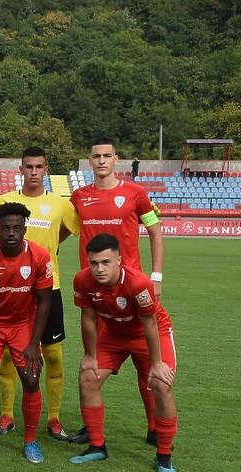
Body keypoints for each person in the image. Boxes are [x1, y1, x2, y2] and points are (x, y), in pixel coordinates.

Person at [69, 137, 164, 445]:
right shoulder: (79, 197)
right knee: (91, 361)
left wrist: (157, 275)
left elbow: (155, 230)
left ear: (116, 159)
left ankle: (154, 427)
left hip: (130, 289)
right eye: (96, 156)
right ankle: (91, 428)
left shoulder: (136, 194)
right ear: (89, 159)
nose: (101, 161)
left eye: (106, 155)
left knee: (145, 362)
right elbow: (65, 229)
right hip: (94, 292)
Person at [70, 233, 178, 472]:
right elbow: (87, 318)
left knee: (161, 384)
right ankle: (97, 446)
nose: (99, 269)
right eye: (94, 262)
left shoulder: (138, 283)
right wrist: (90, 355)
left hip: (149, 332)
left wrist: (157, 363)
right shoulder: (82, 280)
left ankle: (164, 455)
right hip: (113, 333)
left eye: (106, 262)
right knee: (88, 376)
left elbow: (149, 323)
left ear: (119, 259)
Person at [0, 147, 79, 440]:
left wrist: (50, 248)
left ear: (46, 169)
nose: (33, 172)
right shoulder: (5, 201)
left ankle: (53, 419)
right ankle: (7, 416)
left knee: (53, 355)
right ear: (20, 169)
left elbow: (65, 232)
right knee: (7, 357)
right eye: (28, 166)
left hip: (48, 289)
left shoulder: (60, 204)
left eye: (38, 166)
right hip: (14, 290)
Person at [0, 202, 52, 461]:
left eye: (17, 227)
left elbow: (45, 301)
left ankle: (30, 441)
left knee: (31, 378)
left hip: (23, 324)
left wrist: (34, 343)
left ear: (25, 229)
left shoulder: (39, 256)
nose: (12, 233)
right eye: (6, 228)